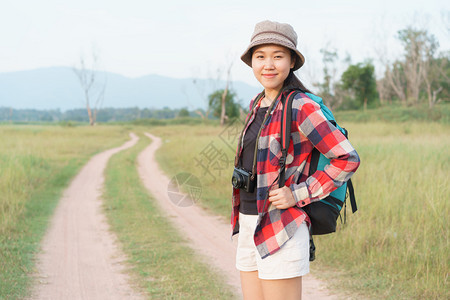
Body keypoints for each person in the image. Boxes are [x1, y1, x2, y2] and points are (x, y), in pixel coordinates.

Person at [231, 20, 360, 300]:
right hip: (249, 221)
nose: (268, 64)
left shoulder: (301, 105)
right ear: (251, 62)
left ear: (291, 62)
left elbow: (346, 158)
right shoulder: (257, 104)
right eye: (260, 56)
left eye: (278, 56)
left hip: (282, 225)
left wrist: (297, 194)